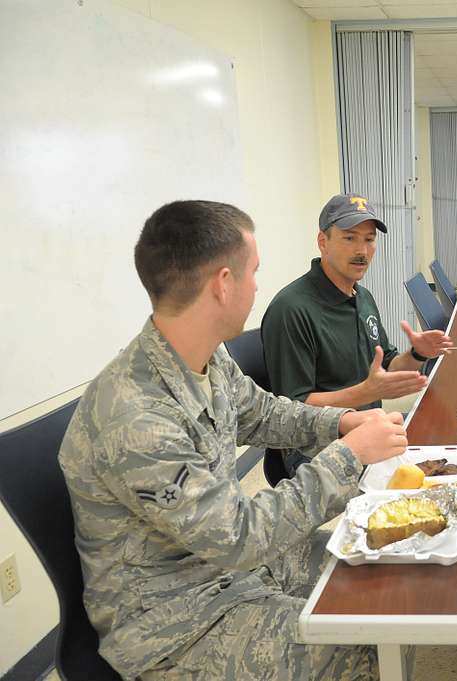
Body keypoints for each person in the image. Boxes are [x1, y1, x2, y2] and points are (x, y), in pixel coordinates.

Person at [59, 200, 409, 681]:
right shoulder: (136, 417)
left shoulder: (205, 357)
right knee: (365, 647)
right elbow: (239, 537)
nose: (257, 286)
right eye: (254, 273)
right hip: (177, 623)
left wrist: (342, 423)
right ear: (224, 284)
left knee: (381, 579)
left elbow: (264, 412)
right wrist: (349, 457)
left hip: (225, 569)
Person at [262, 194, 453, 475]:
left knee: (449, 440)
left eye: (369, 239)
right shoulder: (291, 309)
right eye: (350, 238)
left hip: (370, 426)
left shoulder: (362, 297)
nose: (362, 250)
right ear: (323, 242)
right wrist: (365, 393)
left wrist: (417, 353)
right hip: (318, 447)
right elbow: (293, 406)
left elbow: (386, 366)